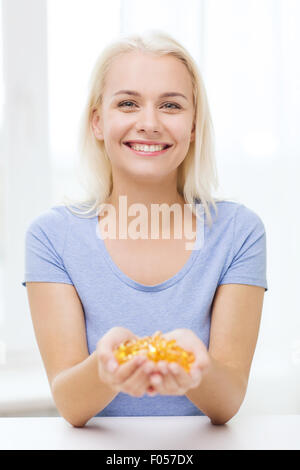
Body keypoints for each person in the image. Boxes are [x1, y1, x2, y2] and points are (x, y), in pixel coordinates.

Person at [22, 30, 268, 427]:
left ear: (193, 126)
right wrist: (104, 369)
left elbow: (227, 402)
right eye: (128, 103)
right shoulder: (52, 237)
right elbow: (70, 404)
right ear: (98, 122)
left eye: (171, 105)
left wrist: (197, 367)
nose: (149, 123)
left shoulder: (238, 232)